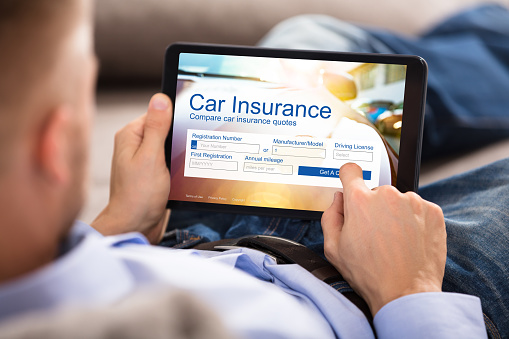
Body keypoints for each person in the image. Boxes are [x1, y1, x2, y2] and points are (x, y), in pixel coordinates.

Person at [0, 1, 505, 338]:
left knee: (304, 40)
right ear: (56, 147)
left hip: (195, 241)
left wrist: (118, 224)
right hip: (373, 300)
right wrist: (409, 292)